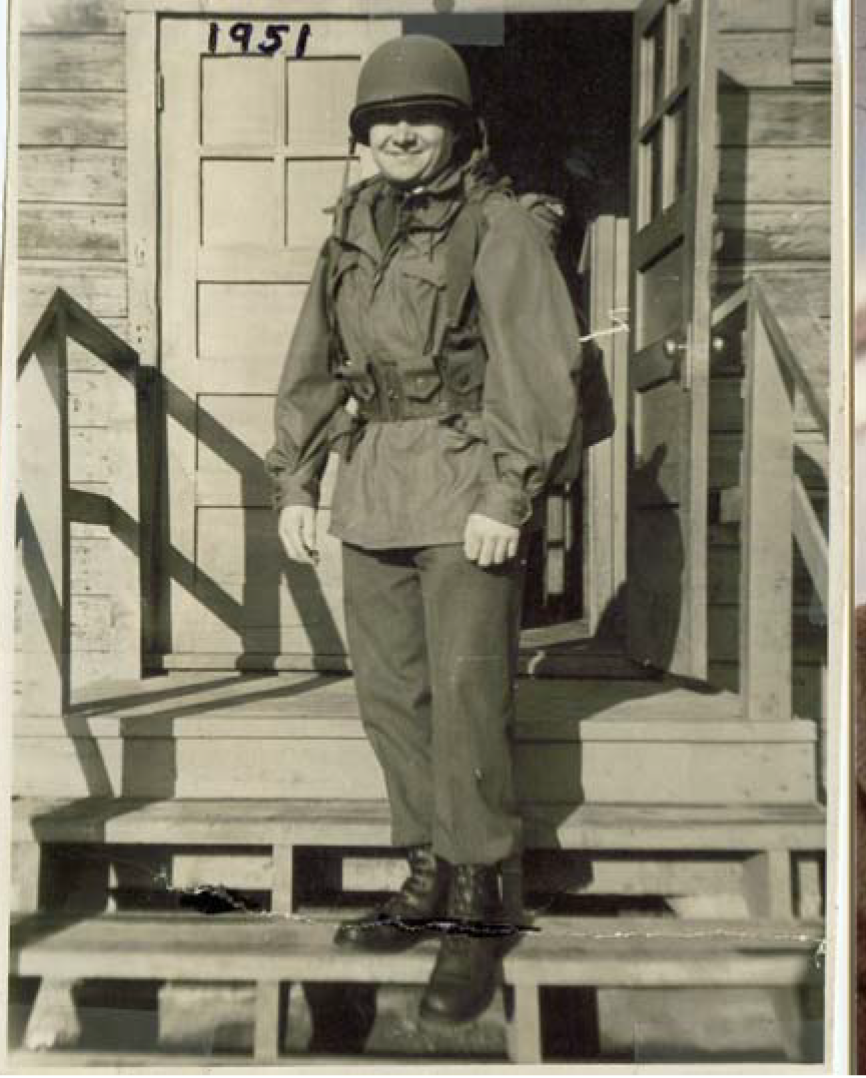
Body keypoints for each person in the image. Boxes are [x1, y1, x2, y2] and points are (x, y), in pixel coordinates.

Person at [265, 34, 582, 1025]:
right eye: (382, 121)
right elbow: (314, 365)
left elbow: (537, 361)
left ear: (457, 129)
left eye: (421, 118)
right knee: (389, 693)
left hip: (462, 479)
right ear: (365, 137)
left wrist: (507, 491)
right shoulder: (350, 230)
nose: (400, 133)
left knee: (463, 690)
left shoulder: (496, 223)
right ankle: (425, 874)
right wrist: (296, 479)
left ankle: (483, 901)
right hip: (372, 484)